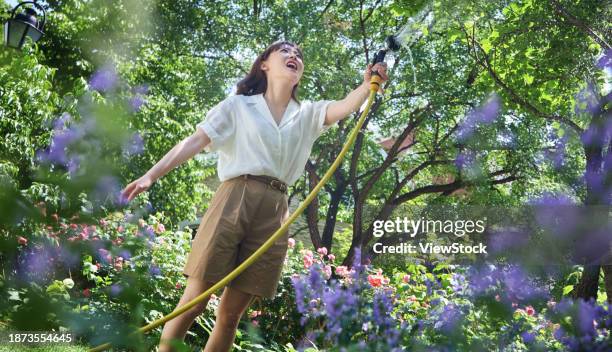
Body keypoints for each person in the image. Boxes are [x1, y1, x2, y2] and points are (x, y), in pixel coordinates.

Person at [120, 40, 388, 352]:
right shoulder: (238, 106)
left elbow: (345, 105)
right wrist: (151, 174)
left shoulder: (307, 114)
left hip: (275, 210)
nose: (294, 56)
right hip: (236, 196)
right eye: (285, 51)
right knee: (193, 302)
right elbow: (195, 141)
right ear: (264, 64)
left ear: (299, 75)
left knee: (231, 315)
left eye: (299, 55)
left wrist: (368, 81)